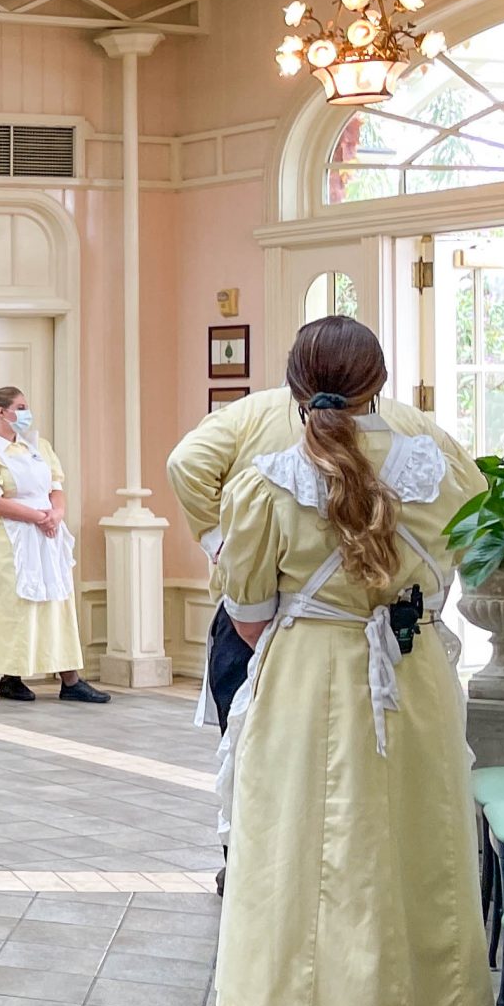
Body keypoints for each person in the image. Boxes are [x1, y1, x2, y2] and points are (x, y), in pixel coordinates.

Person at [212, 315, 491, 1006]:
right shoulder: (440, 462)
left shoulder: (269, 478)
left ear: (296, 385)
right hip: (416, 678)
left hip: (311, 685)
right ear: (380, 381)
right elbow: (479, 551)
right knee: (428, 878)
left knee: (311, 887)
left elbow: (247, 612)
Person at [168, 327, 444, 892]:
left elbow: (185, 464)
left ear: (294, 377)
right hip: (409, 658)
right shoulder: (423, 442)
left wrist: (219, 542)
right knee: (402, 814)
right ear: (378, 379)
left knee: (280, 796)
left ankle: (244, 868)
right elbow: (459, 542)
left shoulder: (258, 450)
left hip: (297, 649)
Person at [0, 388, 109, 703]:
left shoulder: (38, 446)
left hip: (46, 536)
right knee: (17, 607)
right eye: (21, 407)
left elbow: (56, 487)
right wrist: (38, 517)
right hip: (8, 539)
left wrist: (56, 514)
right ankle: (11, 677)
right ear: (1, 412)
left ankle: (70, 680)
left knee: (57, 604)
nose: (27, 413)